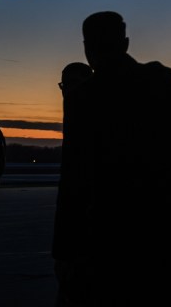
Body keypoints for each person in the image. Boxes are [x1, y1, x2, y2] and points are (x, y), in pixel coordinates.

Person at [79, 11, 171, 306]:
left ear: (88, 48)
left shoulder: (87, 95)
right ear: (125, 43)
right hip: (168, 224)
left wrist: (66, 250)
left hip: (111, 231)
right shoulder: (164, 79)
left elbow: (78, 174)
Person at [53, 62, 94, 306]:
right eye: (63, 85)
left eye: (69, 84)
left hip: (82, 226)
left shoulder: (87, 117)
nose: (65, 90)